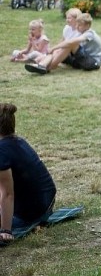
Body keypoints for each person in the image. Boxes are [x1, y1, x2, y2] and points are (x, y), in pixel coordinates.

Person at [0, 103, 57, 245]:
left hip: (30, 213)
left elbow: (7, 194)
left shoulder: (1, 151)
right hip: (46, 204)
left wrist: (5, 230)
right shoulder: (18, 141)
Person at [25, 13, 101, 74]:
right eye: (77, 24)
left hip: (93, 62)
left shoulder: (89, 33)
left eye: (80, 25)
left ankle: (47, 68)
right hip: (81, 61)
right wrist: (56, 50)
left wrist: (53, 48)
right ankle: (42, 65)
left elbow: (71, 43)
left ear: (88, 25)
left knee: (70, 45)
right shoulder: (81, 32)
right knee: (58, 50)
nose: (77, 27)